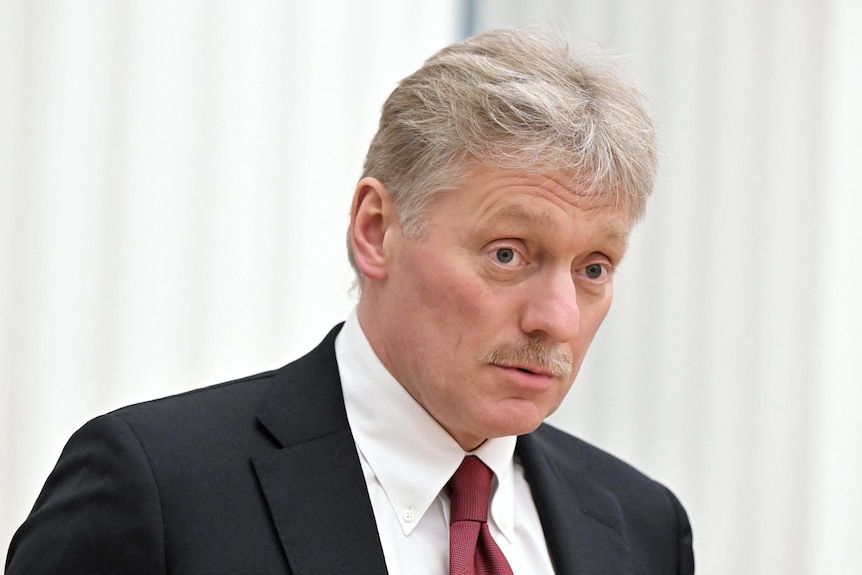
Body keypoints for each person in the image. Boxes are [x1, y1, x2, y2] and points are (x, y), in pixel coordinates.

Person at [5, 28, 694, 575]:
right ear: (376, 230)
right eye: (508, 253)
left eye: (594, 268)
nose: (558, 317)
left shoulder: (644, 527)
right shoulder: (159, 491)